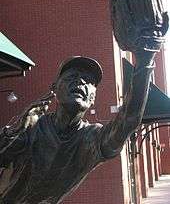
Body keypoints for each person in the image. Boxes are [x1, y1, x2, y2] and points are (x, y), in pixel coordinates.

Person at [0, 51, 155, 204]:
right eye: (72, 77)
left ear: (93, 98)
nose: (80, 82)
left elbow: (128, 120)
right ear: (54, 88)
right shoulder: (32, 126)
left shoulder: (91, 138)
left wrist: (145, 58)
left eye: (88, 80)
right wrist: (16, 128)